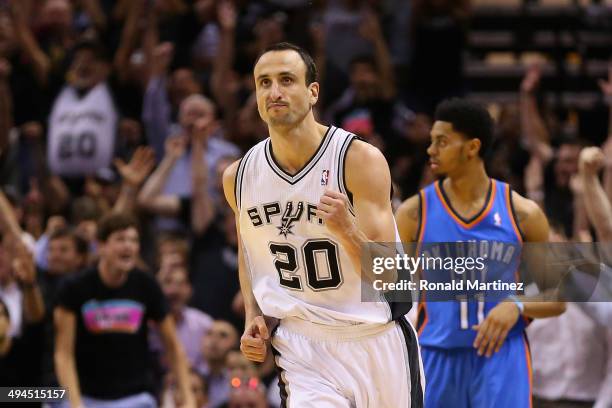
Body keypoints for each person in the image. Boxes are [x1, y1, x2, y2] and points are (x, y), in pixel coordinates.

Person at [222, 42, 423, 407]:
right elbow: (248, 250)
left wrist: (348, 231)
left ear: (313, 91)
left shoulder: (358, 161)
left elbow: (393, 278)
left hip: (375, 337)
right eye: (264, 83)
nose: (274, 92)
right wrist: (253, 314)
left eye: (286, 80)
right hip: (302, 347)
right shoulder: (239, 176)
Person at [395, 98, 567, 408]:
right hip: (436, 355)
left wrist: (515, 304)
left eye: (442, 142)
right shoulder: (413, 213)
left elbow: (556, 296)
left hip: (502, 356)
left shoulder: (523, 212)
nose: (430, 150)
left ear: (472, 147)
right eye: (432, 140)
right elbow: (384, 292)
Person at [54, 212, 195, 408]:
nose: (128, 245)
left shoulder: (147, 285)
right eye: (120, 239)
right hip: (87, 397)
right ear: (101, 246)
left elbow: (173, 347)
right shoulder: (75, 287)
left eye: (133, 240)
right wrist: (75, 403)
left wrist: (188, 399)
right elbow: (64, 354)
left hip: (136, 398)